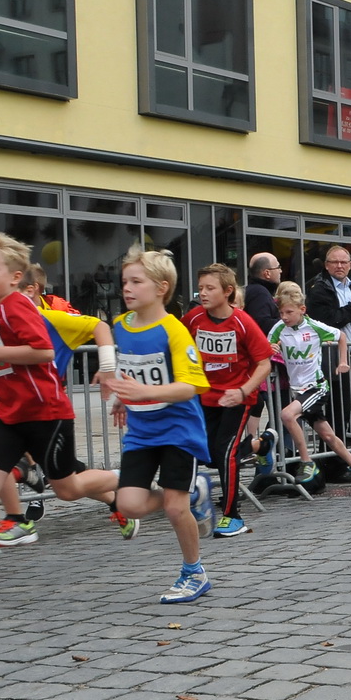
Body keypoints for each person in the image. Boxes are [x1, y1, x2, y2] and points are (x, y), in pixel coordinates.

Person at [0, 234, 126, 600]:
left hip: (44, 413)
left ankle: (129, 476)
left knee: (66, 489)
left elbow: (43, 351)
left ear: (15, 277)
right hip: (9, 415)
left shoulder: (18, 306)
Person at [103, 249, 218, 604]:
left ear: (161, 287)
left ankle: (193, 572)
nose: (128, 288)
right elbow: (131, 368)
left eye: (137, 281)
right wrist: (124, 395)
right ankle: (197, 493)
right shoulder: (120, 326)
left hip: (178, 429)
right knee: (130, 504)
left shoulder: (174, 330)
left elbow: (192, 385)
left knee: (173, 506)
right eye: (125, 281)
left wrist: (143, 390)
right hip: (141, 430)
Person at [185, 262, 273, 538]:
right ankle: (263, 445)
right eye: (200, 288)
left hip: (238, 399)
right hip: (206, 397)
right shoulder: (194, 319)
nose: (203, 294)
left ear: (228, 292)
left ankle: (232, 515)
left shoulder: (243, 322)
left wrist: (244, 391)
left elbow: (264, 364)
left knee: (225, 454)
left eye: (210, 288)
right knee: (208, 454)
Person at [266, 282, 351, 488]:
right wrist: (272, 349)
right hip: (297, 389)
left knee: (286, 415)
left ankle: (306, 462)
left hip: (316, 387)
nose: (284, 317)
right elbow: (267, 348)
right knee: (327, 435)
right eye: (281, 312)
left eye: (289, 312)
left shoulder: (313, 327)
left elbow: (342, 336)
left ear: (302, 310)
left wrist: (343, 361)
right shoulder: (278, 329)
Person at [307, 245, 351, 484]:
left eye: (344, 262)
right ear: (326, 265)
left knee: (344, 412)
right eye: (335, 262)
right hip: (333, 357)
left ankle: (338, 461)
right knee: (336, 411)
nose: (340, 266)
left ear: (350, 265)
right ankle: (331, 464)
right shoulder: (319, 289)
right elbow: (327, 322)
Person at [245, 251, 282, 334]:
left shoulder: (255, 290)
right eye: (278, 267)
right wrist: (289, 320)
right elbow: (262, 324)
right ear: (267, 273)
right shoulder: (259, 293)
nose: (281, 271)